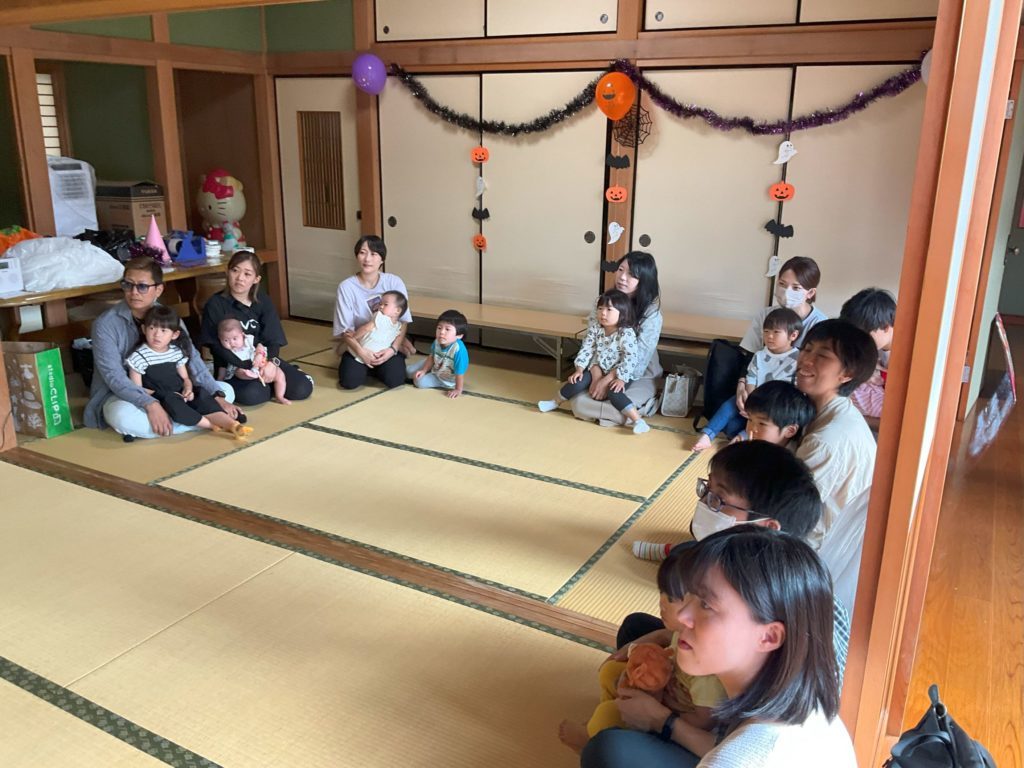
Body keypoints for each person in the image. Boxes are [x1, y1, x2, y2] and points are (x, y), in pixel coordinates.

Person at [581, 526, 856, 768]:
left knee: (607, 749)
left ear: (769, 637)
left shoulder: (735, 759)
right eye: (688, 596)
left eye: (706, 604)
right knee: (637, 627)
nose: (682, 615)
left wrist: (661, 721)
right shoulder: (805, 693)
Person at [559, 558, 727, 755]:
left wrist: (661, 713)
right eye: (662, 593)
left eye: (671, 598)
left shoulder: (707, 677)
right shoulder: (685, 632)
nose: (661, 601)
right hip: (662, 687)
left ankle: (592, 739)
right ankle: (609, 709)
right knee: (611, 669)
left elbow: (704, 721)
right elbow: (668, 639)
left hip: (675, 716)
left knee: (607, 717)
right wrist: (639, 652)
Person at [84, 257, 240, 439]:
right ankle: (202, 420)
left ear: (158, 289)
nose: (134, 292)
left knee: (226, 390)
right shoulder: (105, 324)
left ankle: (179, 420)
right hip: (127, 394)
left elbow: (192, 358)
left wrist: (217, 395)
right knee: (121, 416)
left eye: (142, 286)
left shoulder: (170, 319)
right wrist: (150, 403)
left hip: (173, 389)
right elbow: (114, 377)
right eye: (128, 285)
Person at [794, 319, 878, 550]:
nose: (806, 360)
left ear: (847, 373)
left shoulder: (827, 440)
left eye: (822, 355)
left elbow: (789, 510)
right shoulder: (830, 411)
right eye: (807, 349)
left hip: (816, 551)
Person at [198, 249, 313, 405]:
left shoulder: (263, 301)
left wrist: (271, 363)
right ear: (227, 272)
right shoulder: (215, 304)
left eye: (247, 274)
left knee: (302, 388)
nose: (240, 278)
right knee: (253, 395)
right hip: (233, 366)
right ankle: (268, 386)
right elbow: (217, 347)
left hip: (263, 358)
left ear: (256, 279)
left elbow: (273, 339)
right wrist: (248, 366)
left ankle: (276, 380)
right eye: (235, 271)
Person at [128, 306, 252, 439]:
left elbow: (185, 378)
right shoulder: (138, 356)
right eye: (152, 328)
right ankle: (210, 425)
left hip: (181, 391)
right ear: (144, 329)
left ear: (174, 335)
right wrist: (163, 395)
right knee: (174, 404)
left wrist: (188, 389)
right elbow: (137, 389)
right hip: (162, 396)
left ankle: (233, 425)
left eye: (163, 330)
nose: (157, 335)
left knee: (202, 394)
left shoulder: (176, 352)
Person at [571, 252, 663, 426]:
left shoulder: (651, 313)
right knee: (578, 402)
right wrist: (596, 374)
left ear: (644, 281)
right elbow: (591, 341)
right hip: (601, 362)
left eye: (632, 275)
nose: (622, 277)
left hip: (638, 371)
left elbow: (639, 359)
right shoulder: (603, 301)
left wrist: (608, 379)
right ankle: (616, 412)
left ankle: (641, 408)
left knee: (618, 405)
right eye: (620, 270)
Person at [540, 290, 649, 434]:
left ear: (622, 313)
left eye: (609, 310)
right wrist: (579, 369)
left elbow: (630, 358)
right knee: (577, 382)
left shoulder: (626, 333)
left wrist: (621, 379)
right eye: (600, 308)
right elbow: (587, 349)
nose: (603, 313)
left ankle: (638, 421)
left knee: (614, 393)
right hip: (597, 367)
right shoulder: (595, 328)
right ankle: (555, 402)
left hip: (619, 372)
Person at [693, 308, 802, 451]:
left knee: (754, 424)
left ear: (793, 335)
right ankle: (707, 434)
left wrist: (758, 409)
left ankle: (743, 436)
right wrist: (751, 400)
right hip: (754, 399)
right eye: (766, 331)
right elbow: (750, 377)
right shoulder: (760, 355)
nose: (769, 336)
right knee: (729, 405)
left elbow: (793, 388)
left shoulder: (797, 358)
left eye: (776, 332)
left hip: (776, 406)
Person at [333, 235, 414, 390]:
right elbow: (346, 330)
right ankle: (364, 365)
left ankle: (381, 364)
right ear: (357, 256)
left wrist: (392, 349)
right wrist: (362, 353)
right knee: (350, 382)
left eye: (373, 254)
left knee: (396, 379)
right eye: (362, 253)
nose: (367, 259)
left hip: (387, 343)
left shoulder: (394, 282)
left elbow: (403, 320)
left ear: (382, 259)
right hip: (360, 343)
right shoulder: (346, 287)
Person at [839, 287, 896, 431]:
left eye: (863, 336)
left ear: (885, 327)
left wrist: (852, 416)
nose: (856, 342)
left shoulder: (911, 359)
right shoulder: (868, 348)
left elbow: (898, 423)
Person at [216, 318, 290, 405]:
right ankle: (250, 376)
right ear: (220, 339)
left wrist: (259, 354)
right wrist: (220, 380)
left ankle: (280, 396)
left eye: (235, 338)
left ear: (242, 335)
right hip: (242, 368)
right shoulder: (226, 352)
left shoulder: (250, 340)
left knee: (280, 374)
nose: (231, 343)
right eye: (226, 340)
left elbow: (260, 346)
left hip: (260, 364)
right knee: (239, 371)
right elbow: (222, 366)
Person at [406, 309, 470, 398]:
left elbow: (459, 372)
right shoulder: (437, 341)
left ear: (459, 335)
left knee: (419, 382)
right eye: (439, 328)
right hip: (435, 364)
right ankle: (426, 370)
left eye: (447, 329)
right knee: (408, 371)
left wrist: (458, 389)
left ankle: (428, 374)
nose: (442, 332)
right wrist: (424, 370)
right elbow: (432, 357)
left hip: (444, 378)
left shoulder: (458, 350)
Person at [738, 379, 816, 447]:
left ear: (790, 431)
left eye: (762, 423)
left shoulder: (791, 457)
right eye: (750, 419)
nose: (751, 429)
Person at [345, 290, 407, 367]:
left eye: (385, 304)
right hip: (378, 356)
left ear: (397, 310)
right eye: (380, 304)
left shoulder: (380, 316)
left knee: (348, 343)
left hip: (364, 350)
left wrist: (354, 335)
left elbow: (366, 328)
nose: (381, 306)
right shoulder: (398, 326)